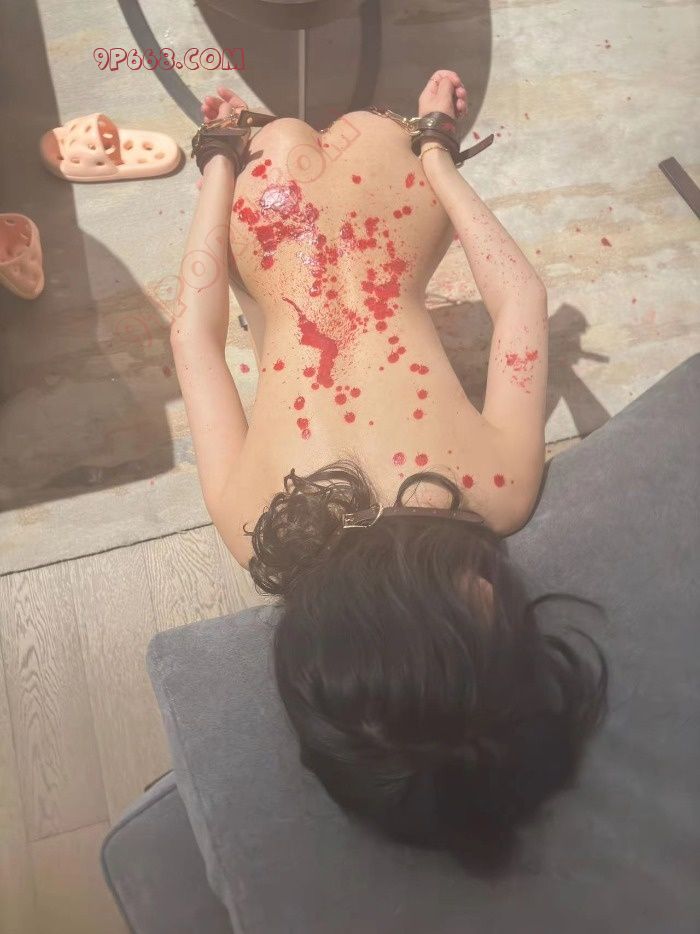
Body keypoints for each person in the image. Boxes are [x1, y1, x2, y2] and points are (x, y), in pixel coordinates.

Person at [170, 70, 607, 869]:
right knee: (280, 160)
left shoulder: (500, 493)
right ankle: (253, 130)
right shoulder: (253, 530)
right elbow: (192, 339)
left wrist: (435, 148)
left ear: (485, 612)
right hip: (264, 209)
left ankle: (294, 132)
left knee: (348, 124)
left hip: (392, 176)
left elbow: (520, 300)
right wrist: (220, 160)